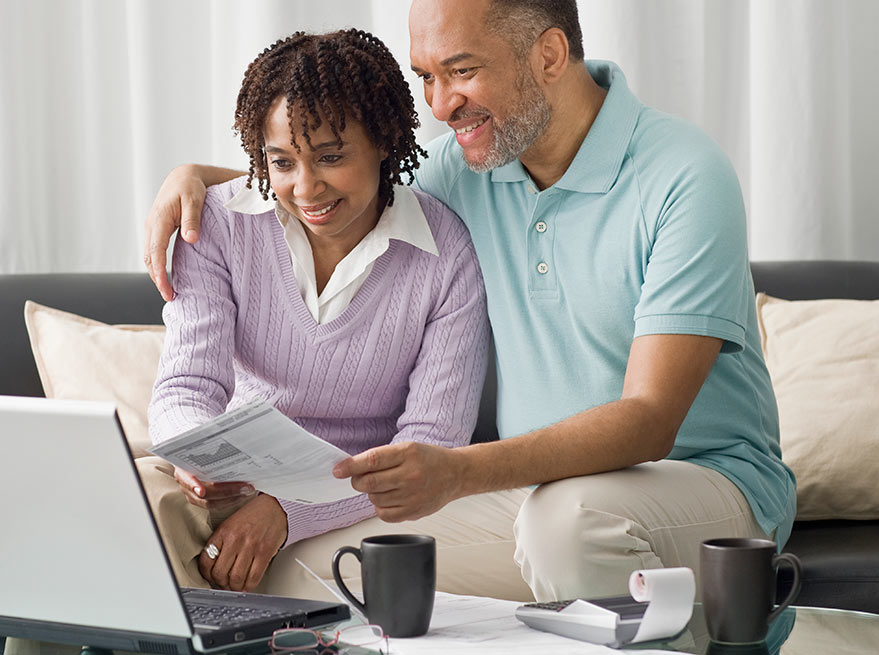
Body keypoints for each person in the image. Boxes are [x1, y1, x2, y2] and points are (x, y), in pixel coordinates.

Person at [143, 0, 796, 602]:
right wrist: (194, 178)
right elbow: (335, 183)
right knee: (303, 567)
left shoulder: (684, 175)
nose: (440, 105)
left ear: (546, 55)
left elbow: (651, 419)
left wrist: (457, 470)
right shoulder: (469, 166)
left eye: (460, 71)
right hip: (529, 494)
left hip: (696, 480)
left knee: (568, 524)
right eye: (426, 76)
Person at [140, 28, 492, 597]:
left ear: (383, 140)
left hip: (355, 486)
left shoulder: (445, 253)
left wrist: (288, 511)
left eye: (331, 157)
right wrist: (194, 454)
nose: (306, 188)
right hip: (233, 469)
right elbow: (185, 386)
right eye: (281, 162)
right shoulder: (218, 227)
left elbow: (432, 442)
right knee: (127, 500)